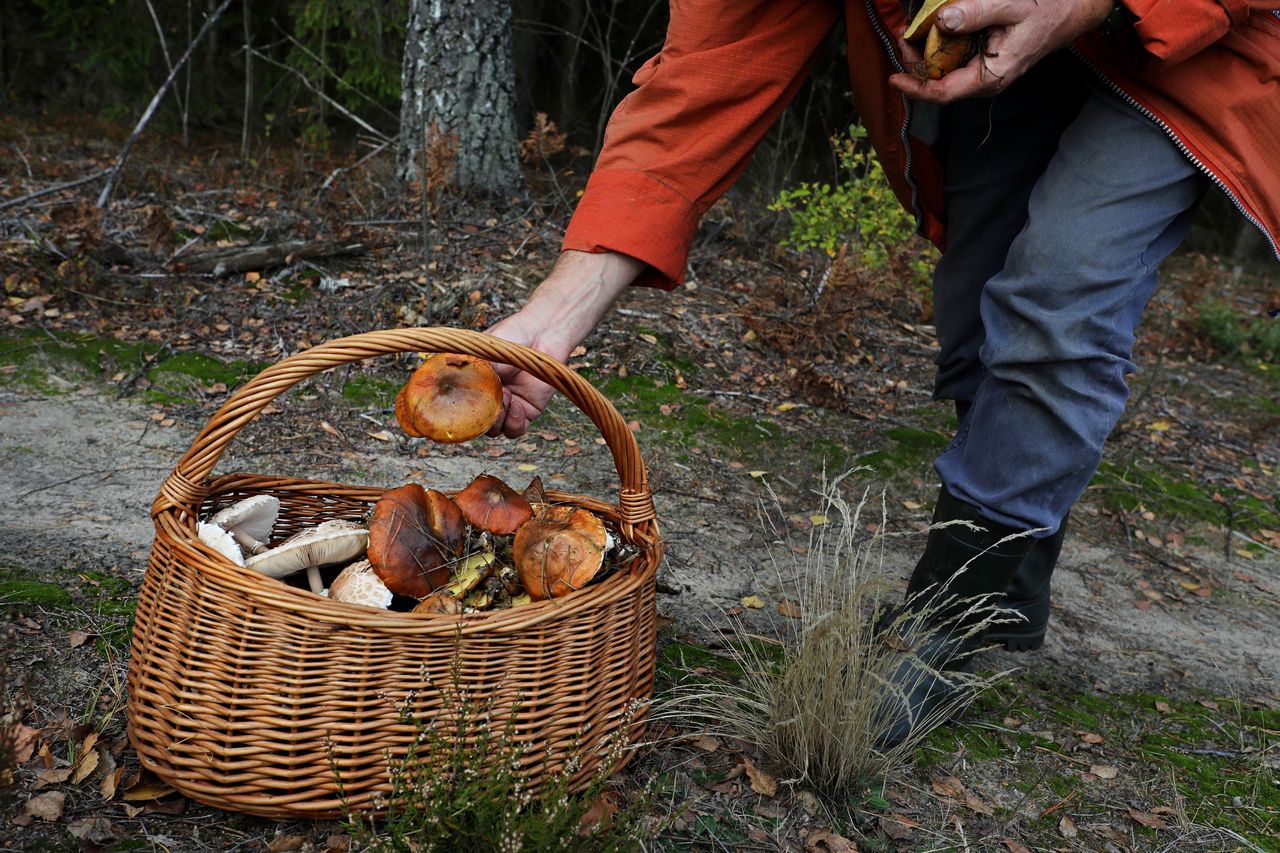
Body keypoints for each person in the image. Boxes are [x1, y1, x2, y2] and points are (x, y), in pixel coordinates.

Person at [485, 0, 1280, 742]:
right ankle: (1009, 584)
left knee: (1058, 295)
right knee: (976, 311)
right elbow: (707, 76)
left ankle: (951, 611)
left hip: (1195, 53)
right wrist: (554, 321)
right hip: (992, 60)